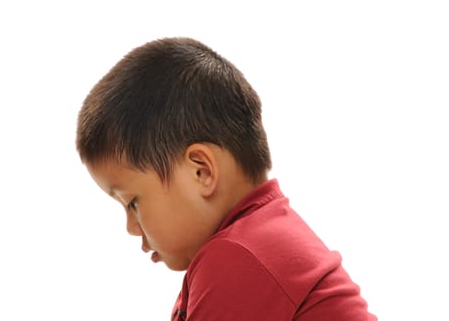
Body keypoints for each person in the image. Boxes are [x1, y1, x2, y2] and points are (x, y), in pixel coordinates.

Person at [75, 37, 377, 320]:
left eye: (133, 202)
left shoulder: (237, 257)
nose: (130, 227)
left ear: (201, 172)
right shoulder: (258, 240)